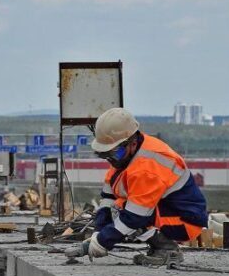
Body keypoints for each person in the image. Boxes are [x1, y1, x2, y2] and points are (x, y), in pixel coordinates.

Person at [65, 108, 208, 266]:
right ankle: (159, 247)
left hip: (183, 221)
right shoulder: (124, 158)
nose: (110, 160)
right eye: (104, 154)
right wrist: (98, 231)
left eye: (114, 154)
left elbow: (135, 216)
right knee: (117, 209)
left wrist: (102, 242)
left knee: (124, 213)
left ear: (132, 143)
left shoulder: (147, 166)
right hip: (165, 212)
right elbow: (108, 198)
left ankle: (168, 250)